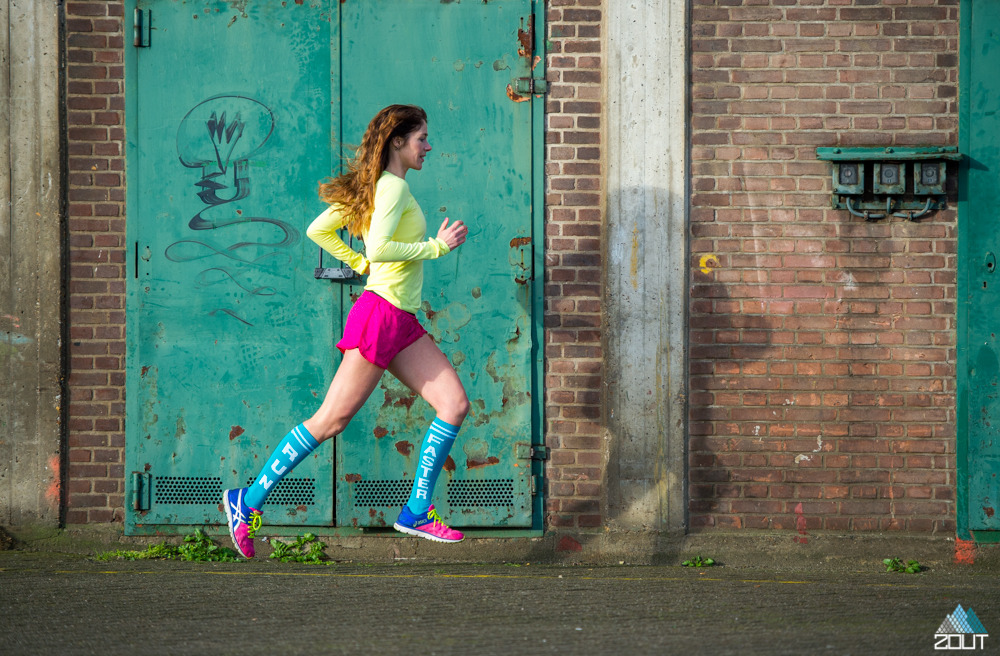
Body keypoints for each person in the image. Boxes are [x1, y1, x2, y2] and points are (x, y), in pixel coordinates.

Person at [223, 104, 470, 558]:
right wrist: (435, 246)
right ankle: (248, 500)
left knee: (454, 405)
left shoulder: (376, 186)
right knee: (330, 420)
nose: (428, 147)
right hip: (381, 316)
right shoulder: (392, 186)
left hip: (401, 319)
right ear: (399, 141)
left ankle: (417, 509)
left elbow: (320, 229)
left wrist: (358, 262)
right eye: (422, 139)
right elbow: (378, 245)